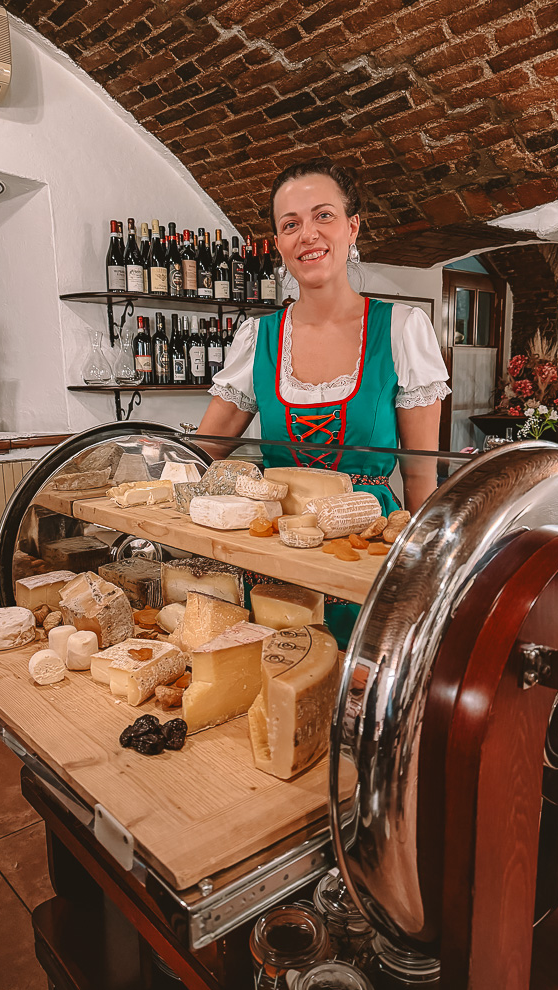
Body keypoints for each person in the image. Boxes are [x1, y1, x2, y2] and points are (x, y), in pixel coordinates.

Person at [198, 157, 450, 639]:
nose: (307, 234)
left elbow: (421, 475)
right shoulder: (258, 338)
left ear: (353, 227)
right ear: (278, 244)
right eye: (290, 224)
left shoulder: (400, 329)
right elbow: (204, 452)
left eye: (324, 215)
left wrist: (426, 579)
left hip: (364, 550)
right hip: (275, 552)